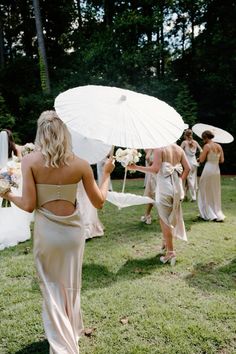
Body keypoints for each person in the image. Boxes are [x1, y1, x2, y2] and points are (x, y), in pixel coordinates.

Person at [0, 110, 115, 353]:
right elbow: (100, 201)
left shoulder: (30, 162)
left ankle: (63, 345)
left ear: (41, 132)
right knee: (71, 284)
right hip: (73, 234)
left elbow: (29, 205)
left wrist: (7, 194)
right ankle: (70, 330)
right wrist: (105, 175)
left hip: (48, 235)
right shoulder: (81, 164)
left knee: (51, 287)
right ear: (65, 133)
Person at [128, 144, 190, 265]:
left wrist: (136, 167)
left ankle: (171, 252)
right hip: (178, 187)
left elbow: (155, 169)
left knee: (164, 220)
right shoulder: (179, 149)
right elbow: (188, 168)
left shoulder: (159, 148)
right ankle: (167, 243)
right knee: (171, 217)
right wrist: (179, 180)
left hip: (164, 188)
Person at [0, 129, 31, 250]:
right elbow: (21, 164)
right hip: (13, 183)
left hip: (4, 182)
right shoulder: (16, 149)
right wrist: (13, 175)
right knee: (15, 208)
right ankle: (15, 231)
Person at [197, 130, 225, 221]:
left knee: (204, 189)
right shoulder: (219, 146)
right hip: (216, 170)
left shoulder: (207, 146)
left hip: (208, 169)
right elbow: (221, 161)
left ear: (205, 138)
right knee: (215, 190)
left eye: (203, 138)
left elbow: (201, 160)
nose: (203, 140)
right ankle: (217, 212)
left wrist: (199, 157)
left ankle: (207, 213)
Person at [180, 129, 202, 201]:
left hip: (187, 162)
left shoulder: (184, 142)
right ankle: (186, 195)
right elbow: (201, 150)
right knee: (193, 179)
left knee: (189, 180)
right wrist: (199, 159)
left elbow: (179, 151)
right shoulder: (195, 142)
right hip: (194, 162)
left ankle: (193, 197)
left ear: (185, 135)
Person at [140, 149, 156, 224]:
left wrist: (150, 162)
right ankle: (147, 215)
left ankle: (147, 215)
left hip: (154, 175)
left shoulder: (154, 147)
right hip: (158, 174)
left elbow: (147, 158)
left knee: (152, 195)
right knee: (153, 195)